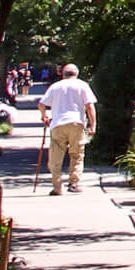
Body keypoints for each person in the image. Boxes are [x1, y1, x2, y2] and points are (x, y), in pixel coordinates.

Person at [38, 64, 98, 194]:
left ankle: (57, 186)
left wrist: (45, 117)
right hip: (77, 123)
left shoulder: (55, 86)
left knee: (56, 156)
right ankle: (74, 183)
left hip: (58, 124)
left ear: (63, 74)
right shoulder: (82, 85)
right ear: (76, 73)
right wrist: (93, 125)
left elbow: (42, 104)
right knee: (77, 154)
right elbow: (90, 106)